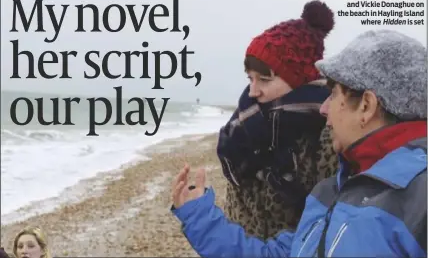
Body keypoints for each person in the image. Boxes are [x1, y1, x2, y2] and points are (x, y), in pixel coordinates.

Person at [171, 29, 427, 257]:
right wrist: (198, 215)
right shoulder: (332, 191)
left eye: (333, 94)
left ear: (366, 106)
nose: (324, 108)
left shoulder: (419, 199)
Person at [217, 0, 339, 239]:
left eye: (264, 79)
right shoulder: (244, 127)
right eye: (250, 79)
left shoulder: (329, 130)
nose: (253, 92)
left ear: (300, 79)